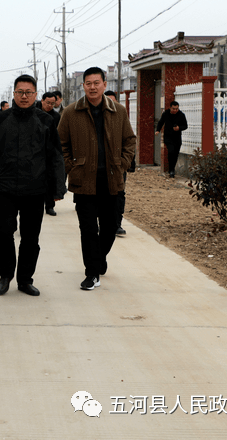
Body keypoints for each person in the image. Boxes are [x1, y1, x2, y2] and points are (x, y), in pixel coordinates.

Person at [0, 75, 66, 297]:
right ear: (13, 94)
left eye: (28, 92)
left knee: (31, 237)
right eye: (20, 92)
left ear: (35, 94)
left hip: (35, 189)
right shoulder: (0, 120)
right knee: (3, 233)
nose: (24, 96)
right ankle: (5, 275)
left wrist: (57, 188)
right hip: (6, 188)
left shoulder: (46, 121)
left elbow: (55, 156)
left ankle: (25, 279)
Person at [57, 67, 135, 291]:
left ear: (104, 84)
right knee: (88, 228)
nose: (92, 87)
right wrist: (72, 166)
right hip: (84, 181)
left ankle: (99, 257)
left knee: (110, 227)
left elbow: (130, 140)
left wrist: (122, 163)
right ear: (83, 86)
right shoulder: (71, 113)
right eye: (88, 83)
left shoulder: (118, 111)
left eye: (96, 82)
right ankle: (92, 273)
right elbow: (60, 144)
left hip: (112, 179)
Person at [104, 90, 131, 237]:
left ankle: (117, 224)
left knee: (119, 194)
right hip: (99, 166)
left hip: (118, 165)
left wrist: (125, 162)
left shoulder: (121, 116)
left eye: (112, 101)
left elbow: (129, 139)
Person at [40, 92, 63, 216]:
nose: (49, 105)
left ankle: (49, 206)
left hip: (49, 152)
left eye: (52, 104)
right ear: (42, 101)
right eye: (47, 103)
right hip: (36, 151)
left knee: (50, 179)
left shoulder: (56, 116)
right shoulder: (34, 113)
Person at [155, 100, 188, 178]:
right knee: (171, 151)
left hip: (177, 137)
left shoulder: (181, 115)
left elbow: (185, 126)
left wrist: (179, 128)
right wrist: (158, 130)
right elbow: (160, 122)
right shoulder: (166, 114)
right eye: (173, 108)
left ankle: (172, 169)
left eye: (176, 109)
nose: (175, 110)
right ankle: (171, 170)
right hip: (168, 137)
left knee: (175, 154)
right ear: (170, 108)